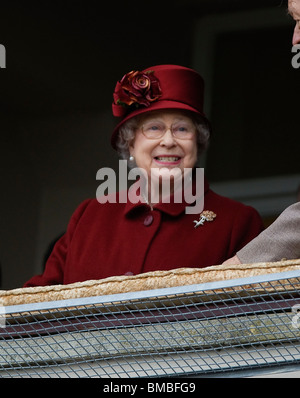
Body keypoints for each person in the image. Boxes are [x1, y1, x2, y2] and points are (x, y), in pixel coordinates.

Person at [24, 64, 263, 287]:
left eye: (182, 129)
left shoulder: (237, 222)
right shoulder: (88, 217)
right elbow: (34, 305)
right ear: (130, 144)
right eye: (154, 128)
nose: (168, 141)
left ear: (197, 143)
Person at [223, 0, 300, 265]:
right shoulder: (90, 213)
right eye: (295, 21)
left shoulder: (233, 219)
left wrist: (229, 273)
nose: (295, 38)